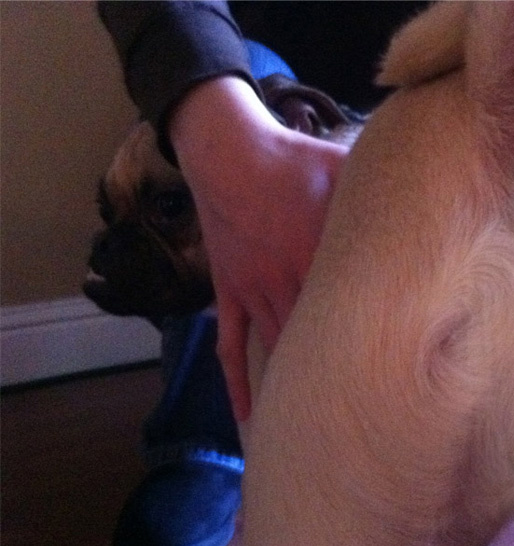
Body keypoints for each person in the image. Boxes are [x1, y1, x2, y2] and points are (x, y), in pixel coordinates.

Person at [98, 3, 348, 544]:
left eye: (167, 209)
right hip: (245, 61)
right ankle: (210, 442)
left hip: (424, 73)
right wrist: (214, 122)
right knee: (239, 67)